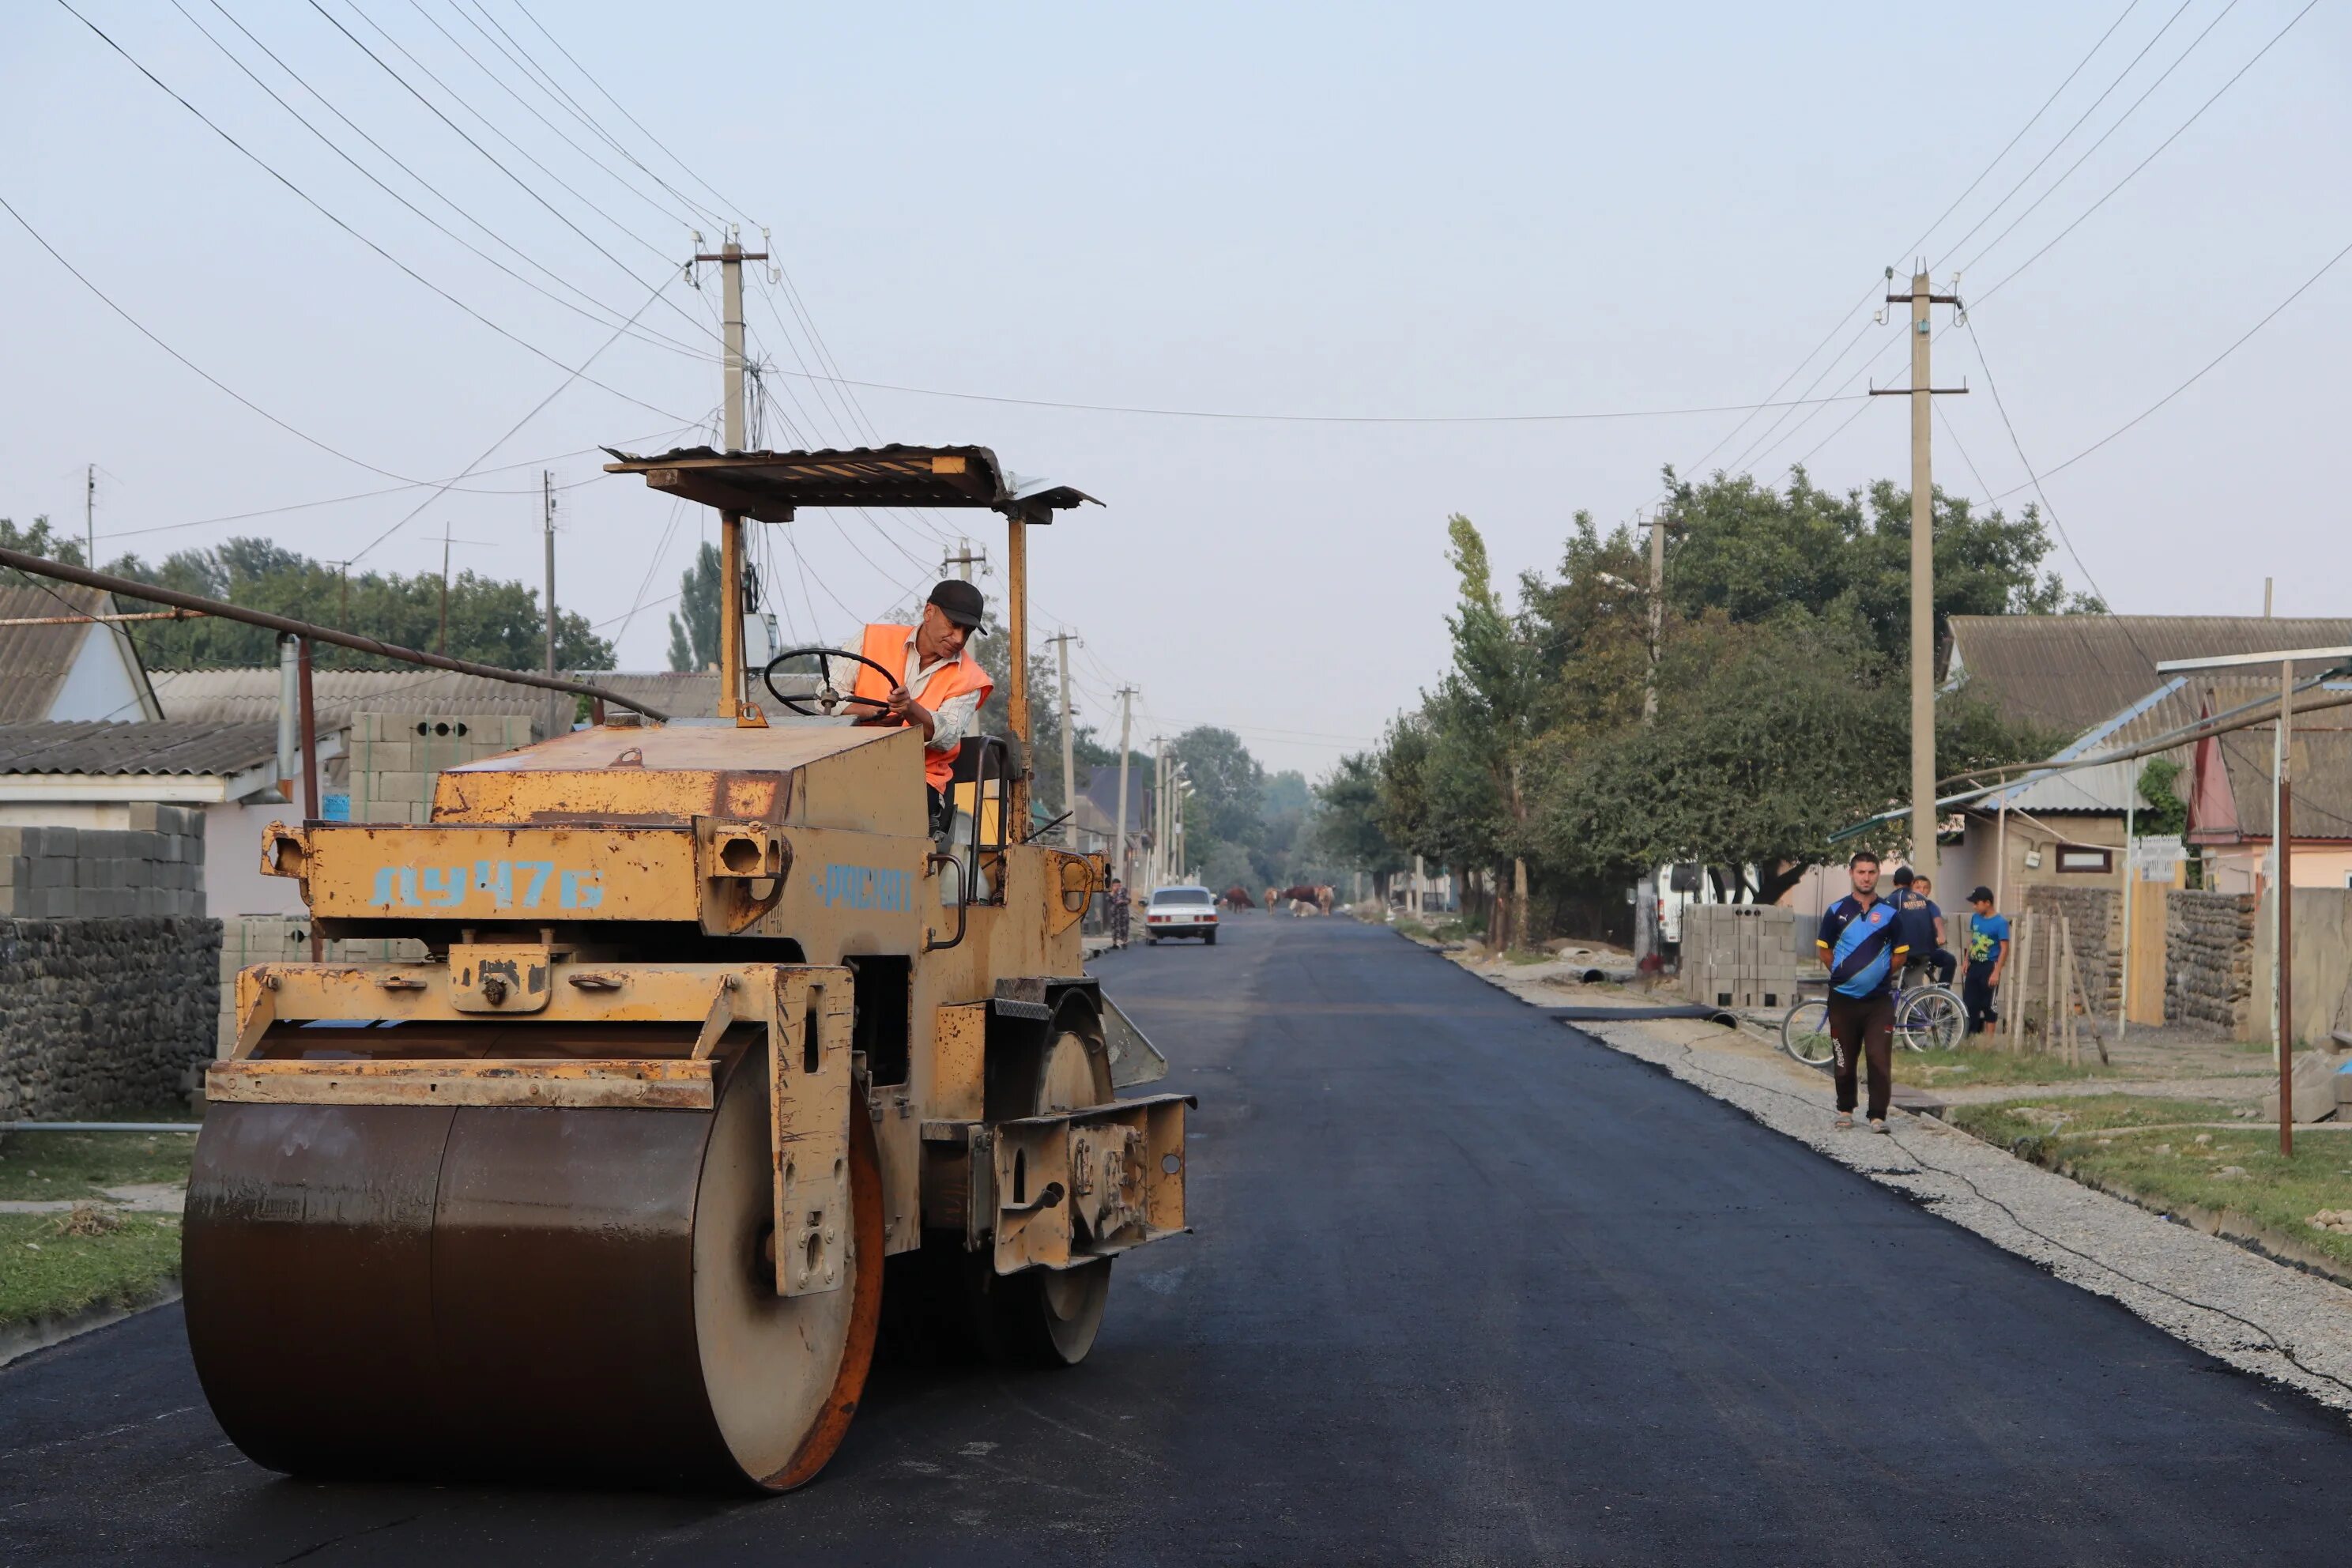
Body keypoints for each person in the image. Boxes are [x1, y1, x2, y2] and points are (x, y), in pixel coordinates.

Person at [848, 580, 995, 832]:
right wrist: (870, 715)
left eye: (967, 632)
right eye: (954, 625)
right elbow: (825, 701)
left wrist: (909, 709)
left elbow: (947, 737)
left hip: (917, 780)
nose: (959, 638)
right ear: (929, 613)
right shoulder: (872, 638)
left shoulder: (971, 679)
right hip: (846, 766)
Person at [1817, 850, 1909, 1133]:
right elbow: (1824, 948)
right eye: (1861, 872)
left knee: (1879, 1058)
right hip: (1842, 1001)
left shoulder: (1891, 914)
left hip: (1878, 1002)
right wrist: (1845, 974)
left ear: (1877, 874)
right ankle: (1845, 1109)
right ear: (1851, 874)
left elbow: (1901, 954)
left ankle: (1877, 1116)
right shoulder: (1836, 911)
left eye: (1871, 872)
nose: (1866, 877)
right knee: (1843, 1059)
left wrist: (1877, 975)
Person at [1959, 885, 2010, 1035]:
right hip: (1975, 965)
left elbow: (2004, 949)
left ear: (1987, 903)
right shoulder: (1975, 918)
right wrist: (1966, 960)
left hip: (1990, 966)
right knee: (1970, 1004)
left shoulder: (2000, 922)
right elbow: (1973, 940)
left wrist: (1996, 972)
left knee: (1989, 1006)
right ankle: (1970, 1038)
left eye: (1977, 903)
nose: (1974, 906)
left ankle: (1988, 1042)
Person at [1912, 875, 1956, 986]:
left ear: (1929, 890)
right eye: (1918, 887)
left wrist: (1941, 936)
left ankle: (1942, 994)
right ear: (1911, 888)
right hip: (1909, 950)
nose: (1921, 890)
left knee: (1950, 961)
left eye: (1925, 888)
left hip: (1927, 949)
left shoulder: (1932, 907)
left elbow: (1938, 922)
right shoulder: (1905, 905)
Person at [1107, 876, 1131, 950]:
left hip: (1123, 913)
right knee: (1114, 928)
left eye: (1118, 885)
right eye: (1115, 886)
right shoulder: (1111, 893)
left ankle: (1124, 943)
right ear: (1113, 886)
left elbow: (1129, 900)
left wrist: (1122, 901)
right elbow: (1108, 900)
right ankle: (1114, 944)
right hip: (1115, 914)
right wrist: (1113, 893)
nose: (1117, 887)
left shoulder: (1124, 891)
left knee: (1124, 928)